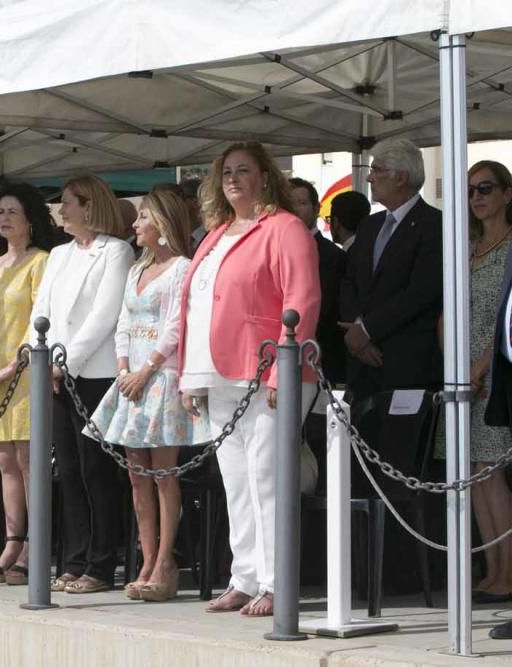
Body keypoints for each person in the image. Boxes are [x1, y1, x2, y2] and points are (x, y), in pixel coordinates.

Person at [176, 141, 320, 617]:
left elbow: (302, 299)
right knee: (236, 479)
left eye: (243, 170)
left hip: (264, 369)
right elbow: (197, 305)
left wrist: (284, 367)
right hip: (216, 373)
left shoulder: (285, 227)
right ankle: (246, 576)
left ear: (264, 177)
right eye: (227, 172)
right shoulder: (215, 233)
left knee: (266, 477)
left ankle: (278, 582)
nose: (233, 179)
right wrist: (188, 375)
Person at [86, 188, 208, 602]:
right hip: (131, 377)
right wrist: (123, 369)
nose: (134, 225)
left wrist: (147, 368)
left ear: (160, 224)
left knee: (163, 472)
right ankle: (146, 556)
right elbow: (123, 321)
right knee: (136, 474)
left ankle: (165, 562)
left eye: (142, 218)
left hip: (161, 375)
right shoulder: (137, 270)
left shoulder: (181, 268)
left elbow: (176, 325)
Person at [31, 174, 134, 594]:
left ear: (89, 205)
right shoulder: (58, 254)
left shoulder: (116, 251)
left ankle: (102, 563)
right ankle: (74, 560)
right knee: (69, 470)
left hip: (94, 375)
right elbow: (42, 310)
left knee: (97, 471)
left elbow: (103, 316)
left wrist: (65, 364)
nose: (61, 210)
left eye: (69, 202)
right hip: (56, 374)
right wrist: (36, 356)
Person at [0, 182, 54, 585]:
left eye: (12, 212)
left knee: (27, 460)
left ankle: (36, 546)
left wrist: (9, 368)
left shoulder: (41, 262)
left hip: (24, 376)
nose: (4, 219)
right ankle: (12, 540)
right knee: (4, 461)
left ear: (30, 220)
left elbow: (40, 319)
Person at [339, 138, 443, 404]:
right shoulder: (369, 225)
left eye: (377, 170)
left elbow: (419, 293)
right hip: (361, 367)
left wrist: (368, 330)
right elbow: (349, 280)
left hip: (405, 363)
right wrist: (356, 334)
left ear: (401, 177)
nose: (370, 178)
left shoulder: (434, 225)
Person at [463, 160, 512, 604]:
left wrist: (481, 367)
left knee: (492, 473)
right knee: (474, 473)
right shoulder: (468, 249)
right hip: (465, 378)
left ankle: (508, 573)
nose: (476, 197)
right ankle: (492, 569)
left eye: (486, 188)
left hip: (497, 373)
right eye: (470, 190)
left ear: (507, 194)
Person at [289, 177, 348, 385]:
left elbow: (327, 309)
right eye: (288, 203)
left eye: (302, 203)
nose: (294, 209)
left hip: (320, 358)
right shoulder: (272, 250)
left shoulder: (333, 256)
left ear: (316, 209)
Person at [180, 178, 205, 250]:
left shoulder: (213, 238)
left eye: (179, 198)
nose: (174, 204)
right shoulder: (177, 237)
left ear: (195, 202)